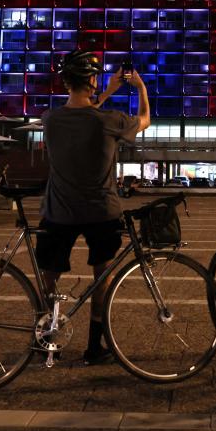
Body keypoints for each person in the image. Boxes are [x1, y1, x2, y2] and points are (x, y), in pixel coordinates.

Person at [36, 51, 150, 365]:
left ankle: (47, 336)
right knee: (103, 276)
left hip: (59, 210)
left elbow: (81, 115)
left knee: (49, 274)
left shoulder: (51, 119)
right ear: (91, 80)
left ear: (67, 82)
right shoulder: (109, 121)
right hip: (101, 211)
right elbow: (144, 120)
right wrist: (139, 88)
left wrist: (106, 91)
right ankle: (93, 346)